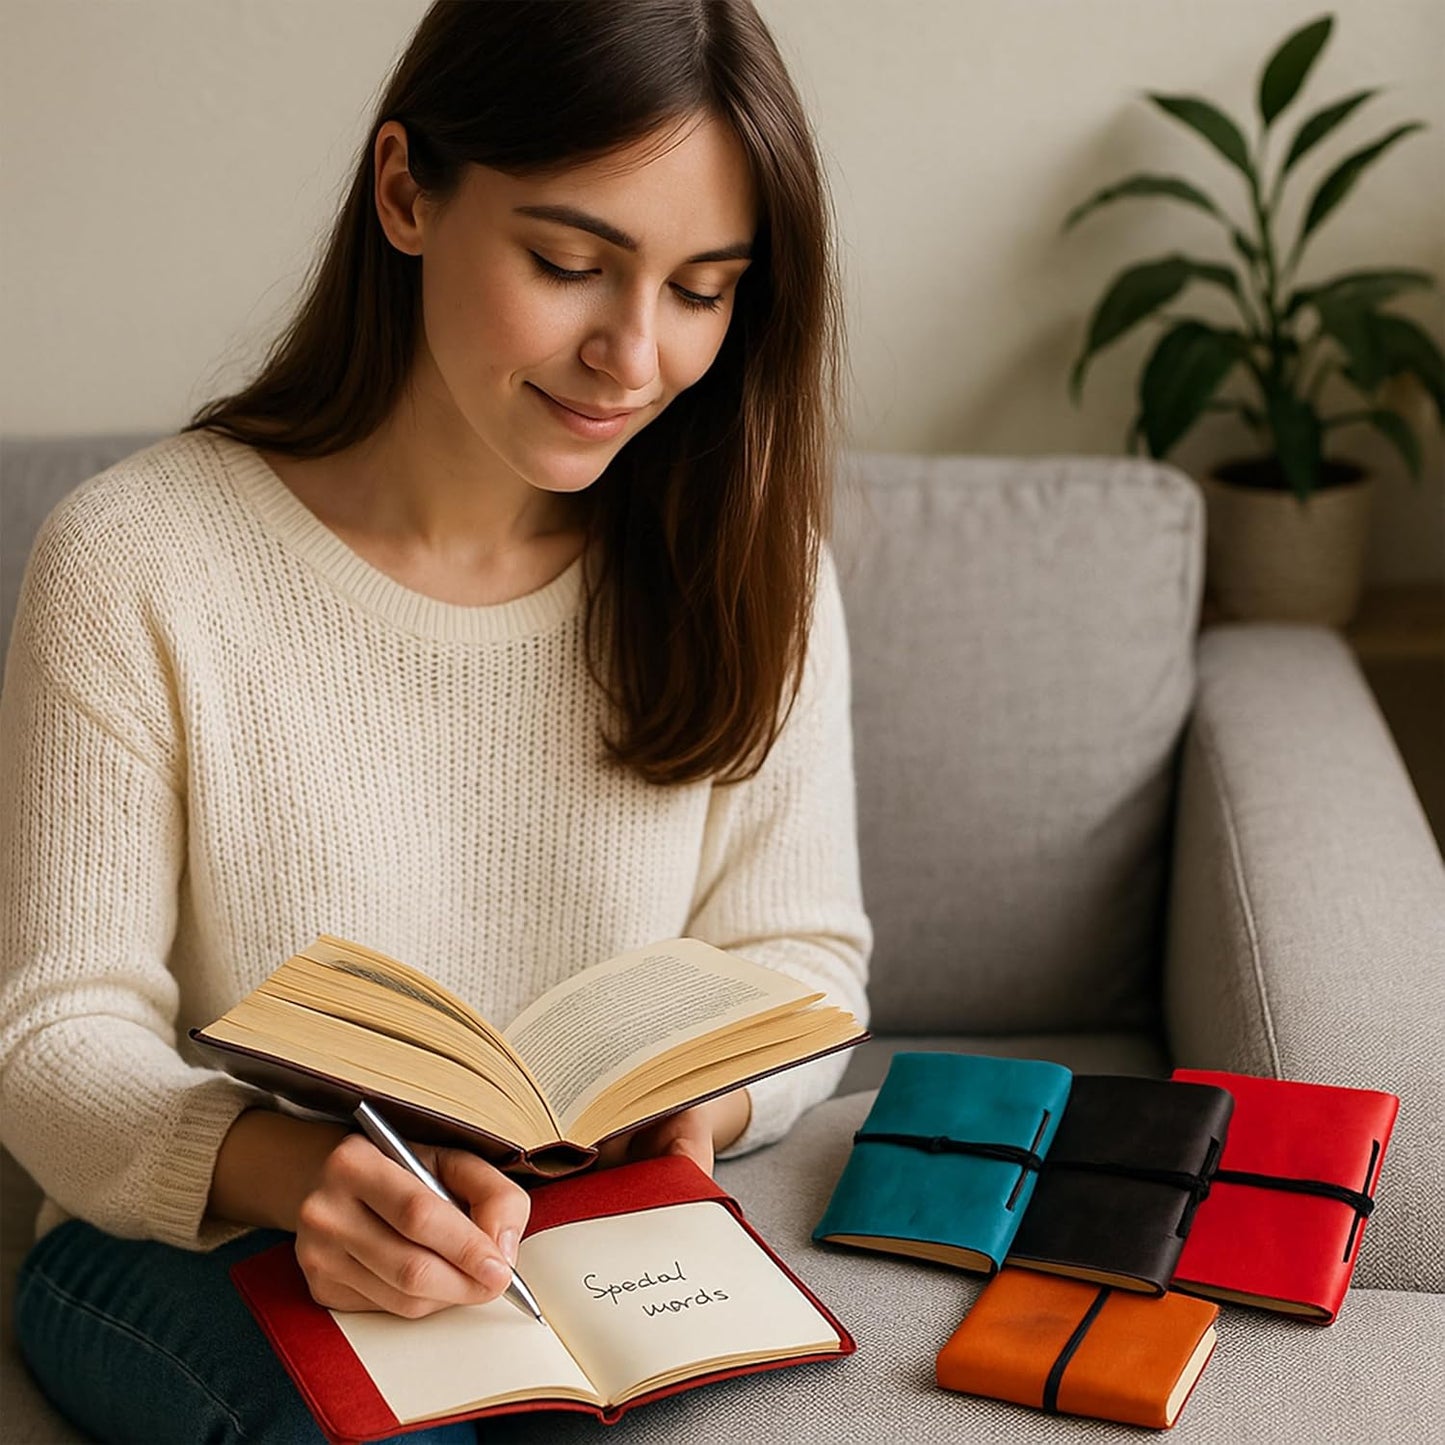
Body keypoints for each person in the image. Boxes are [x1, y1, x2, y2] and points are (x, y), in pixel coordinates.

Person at [0, 2, 871, 1440]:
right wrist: (295, 1171)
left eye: (703, 289)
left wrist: (697, 1118)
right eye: (570, 265)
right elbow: (55, 1029)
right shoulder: (140, 559)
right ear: (406, 192)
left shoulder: (745, 555)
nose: (633, 355)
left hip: (567, 1223)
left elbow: (801, 952)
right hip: (198, 1234)